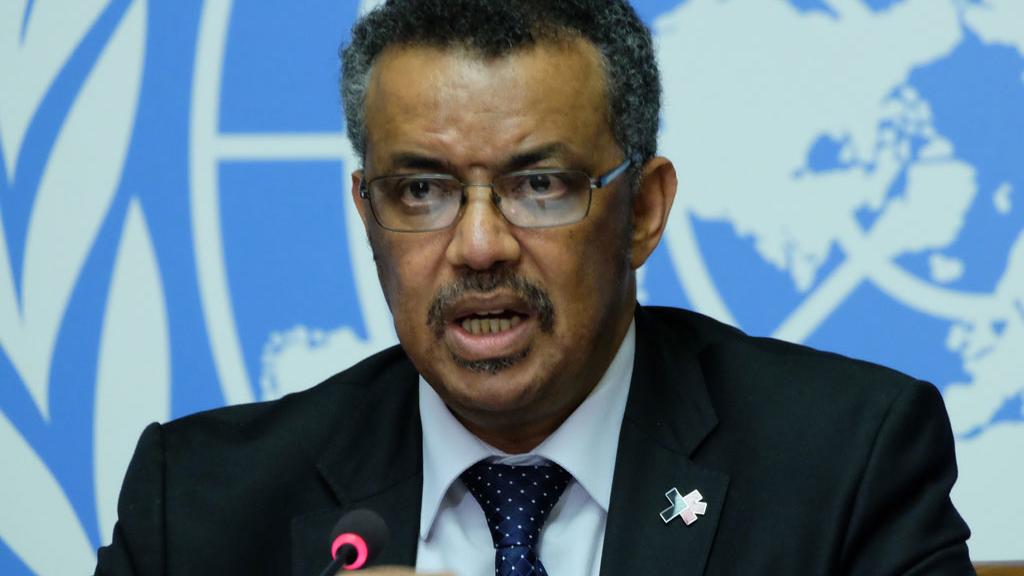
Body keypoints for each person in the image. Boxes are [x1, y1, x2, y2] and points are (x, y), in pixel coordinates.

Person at [94, 0, 974, 574]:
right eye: (422, 190)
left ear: (643, 211)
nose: (479, 247)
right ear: (367, 215)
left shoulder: (845, 466)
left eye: (539, 185)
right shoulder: (201, 506)